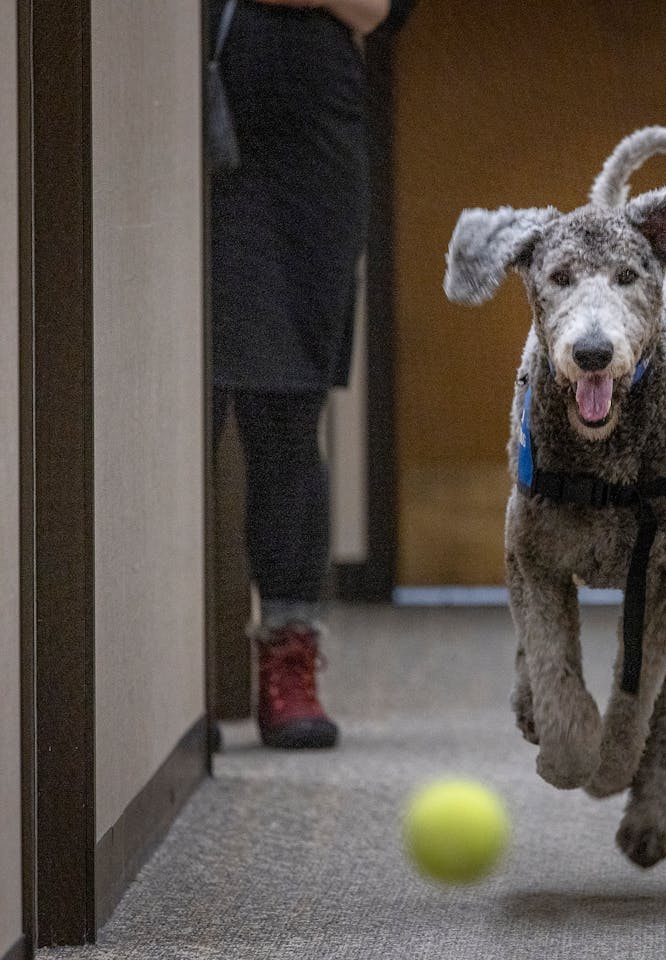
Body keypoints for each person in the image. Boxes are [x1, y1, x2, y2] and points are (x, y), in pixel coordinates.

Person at [210, 0, 413, 749]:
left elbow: (373, 6)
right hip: (176, 134)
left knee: (287, 417)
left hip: (306, 163)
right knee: (176, 418)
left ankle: (290, 659)